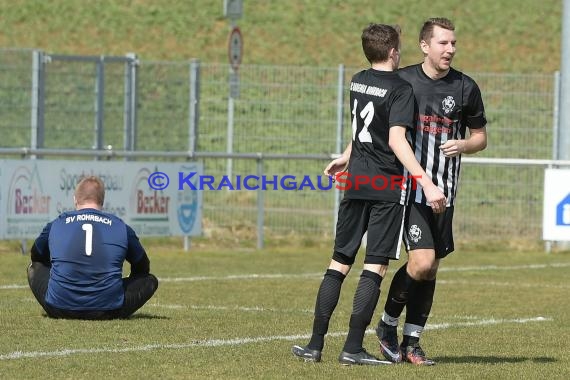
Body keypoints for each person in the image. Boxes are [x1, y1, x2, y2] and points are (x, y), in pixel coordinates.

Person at [291, 23, 446, 366]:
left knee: (339, 263)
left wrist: (347, 156)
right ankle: (352, 348)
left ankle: (314, 345)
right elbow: (395, 140)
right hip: (385, 186)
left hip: (355, 181)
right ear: (393, 51)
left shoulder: (358, 80)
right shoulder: (402, 89)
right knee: (374, 267)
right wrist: (425, 182)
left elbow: (361, 125)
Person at [372, 17, 488, 365]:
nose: (450, 49)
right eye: (443, 43)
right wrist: (349, 156)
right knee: (421, 263)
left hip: (446, 194)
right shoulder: (403, 81)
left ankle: (412, 342)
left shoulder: (466, 88)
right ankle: (387, 324)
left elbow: (481, 138)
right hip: (411, 190)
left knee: (431, 267)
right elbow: (379, 129)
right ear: (425, 46)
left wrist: (464, 145)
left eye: (453, 43)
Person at [27, 176, 159, 320]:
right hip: (109, 310)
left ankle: (61, 293)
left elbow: (37, 256)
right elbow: (142, 267)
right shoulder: (121, 227)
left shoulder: (56, 224)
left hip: (59, 307)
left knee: (33, 267)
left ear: (75, 199)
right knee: (149, 280)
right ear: (102, 201)